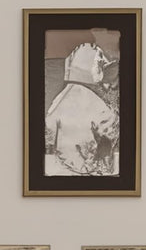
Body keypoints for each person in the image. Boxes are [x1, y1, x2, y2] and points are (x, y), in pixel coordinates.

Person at [45, 42, 119, 176]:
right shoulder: (97, 104)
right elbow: (110, 130)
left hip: (65, 165)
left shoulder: (60, 100)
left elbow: (49, 125)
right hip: (88, 166)